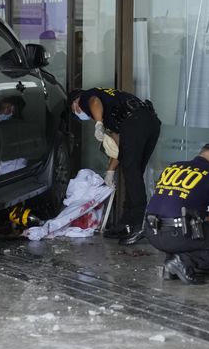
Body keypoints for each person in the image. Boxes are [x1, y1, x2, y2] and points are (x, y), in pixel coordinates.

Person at [143, 144, 209, 285]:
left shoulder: (173, 167)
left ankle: (173, 261)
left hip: (152, 233)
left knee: (195, 230)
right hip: (178, 234)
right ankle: (184, 261)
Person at [68, 87, 161, 244]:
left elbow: (93, 101)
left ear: (75, 103)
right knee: (134, 173)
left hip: (136, 122)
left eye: (75, 109)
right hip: (150, 122)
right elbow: (119, 145)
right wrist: (110, 171)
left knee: (132, 172)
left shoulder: (85, 97)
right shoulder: (111, 105)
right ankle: (127, 223)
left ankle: (138, 224)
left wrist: (98, 123)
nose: (80, 112)